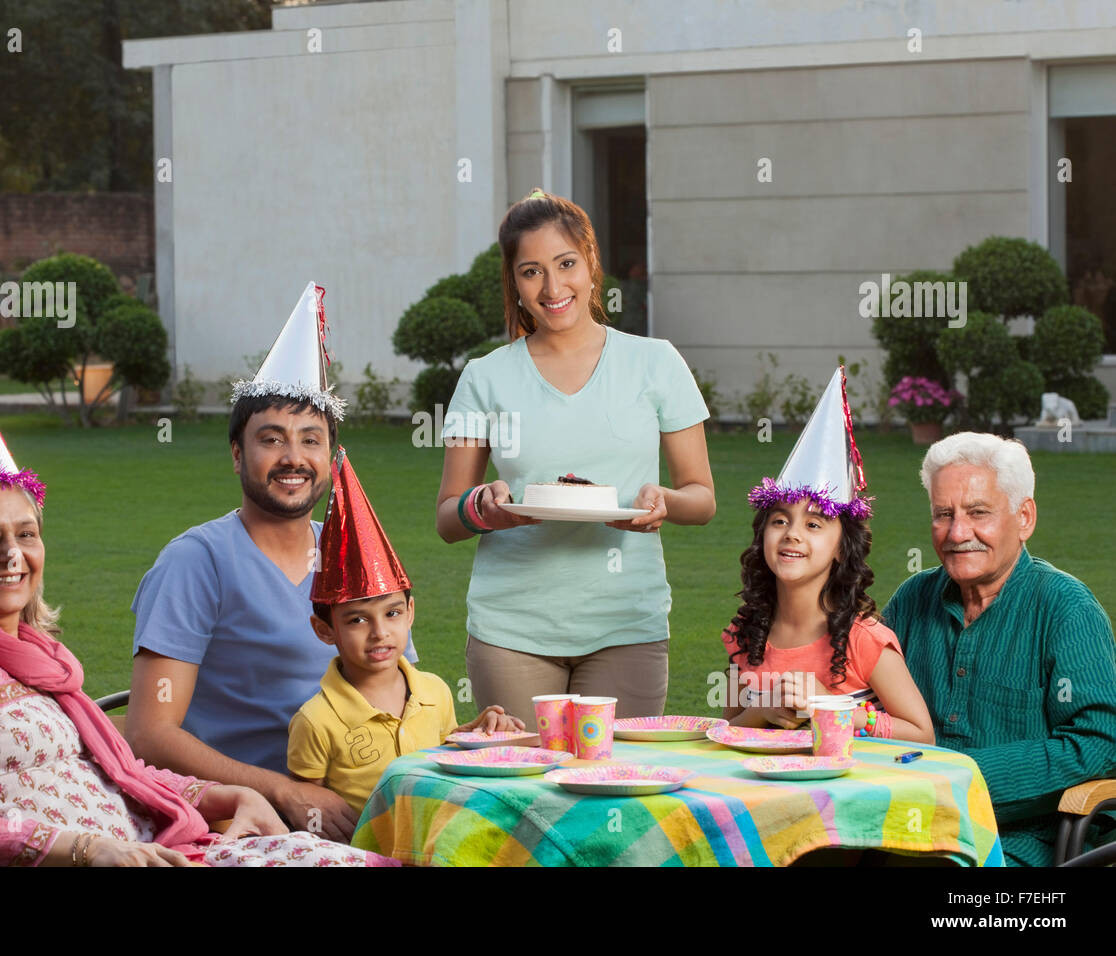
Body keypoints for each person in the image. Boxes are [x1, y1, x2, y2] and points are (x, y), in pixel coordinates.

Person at [0, 364, 391, 866]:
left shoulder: (40, 656)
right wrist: (90, 849)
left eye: (26, 534)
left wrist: (231, 797)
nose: (12, 555)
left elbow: (123, 771)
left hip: (161, 842)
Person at [127, 283, 401, 842]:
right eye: (271, 440)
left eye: (311, 440)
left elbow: (399, 689)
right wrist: (283, 790)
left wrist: (469, 730)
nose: (293, 458)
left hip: (361, 806)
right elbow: (150, 734)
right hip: (244, 820)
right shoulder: (195, 563)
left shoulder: (350, 556)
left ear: (331, 457)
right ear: (236, 455)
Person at [436, 190, 716, 726]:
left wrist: (663, 503)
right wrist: (482, 507)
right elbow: (448, 516)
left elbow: (701, 498)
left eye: (565, 264)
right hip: (511, 629)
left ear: (590, 264)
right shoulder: (485, 376)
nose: (552, 286)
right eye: (531, 271)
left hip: (626, 625)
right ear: (514, 283)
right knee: (524, 794)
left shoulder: (655, 363)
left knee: (611, 787)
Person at [882, 432, 1116, 866]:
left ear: (1024, 517)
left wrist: (957, 777)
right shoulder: (912, 598)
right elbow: (862, 697)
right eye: (943, 514)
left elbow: (1097, 745)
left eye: (978, 513)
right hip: (899, 826)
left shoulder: (1067, 609)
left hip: (1021, 841)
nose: (957, 533)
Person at [288, 449, 522, 812]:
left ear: (410, 612)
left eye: (392, 613)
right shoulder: (315, 721)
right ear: (324, 630)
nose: (379, 631)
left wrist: (478, 732)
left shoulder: (435, 693)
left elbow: (441, 757)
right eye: (357, 619)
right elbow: (306, 806)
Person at [722, 368, 933, 741]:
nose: (792, 535)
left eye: (814, 525)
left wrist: (835, 710)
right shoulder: (746, 635)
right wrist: (761, 711)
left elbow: (921, 733)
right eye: (779, 521)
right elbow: (728, 732)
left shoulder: (863, 639)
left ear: (841, 548)